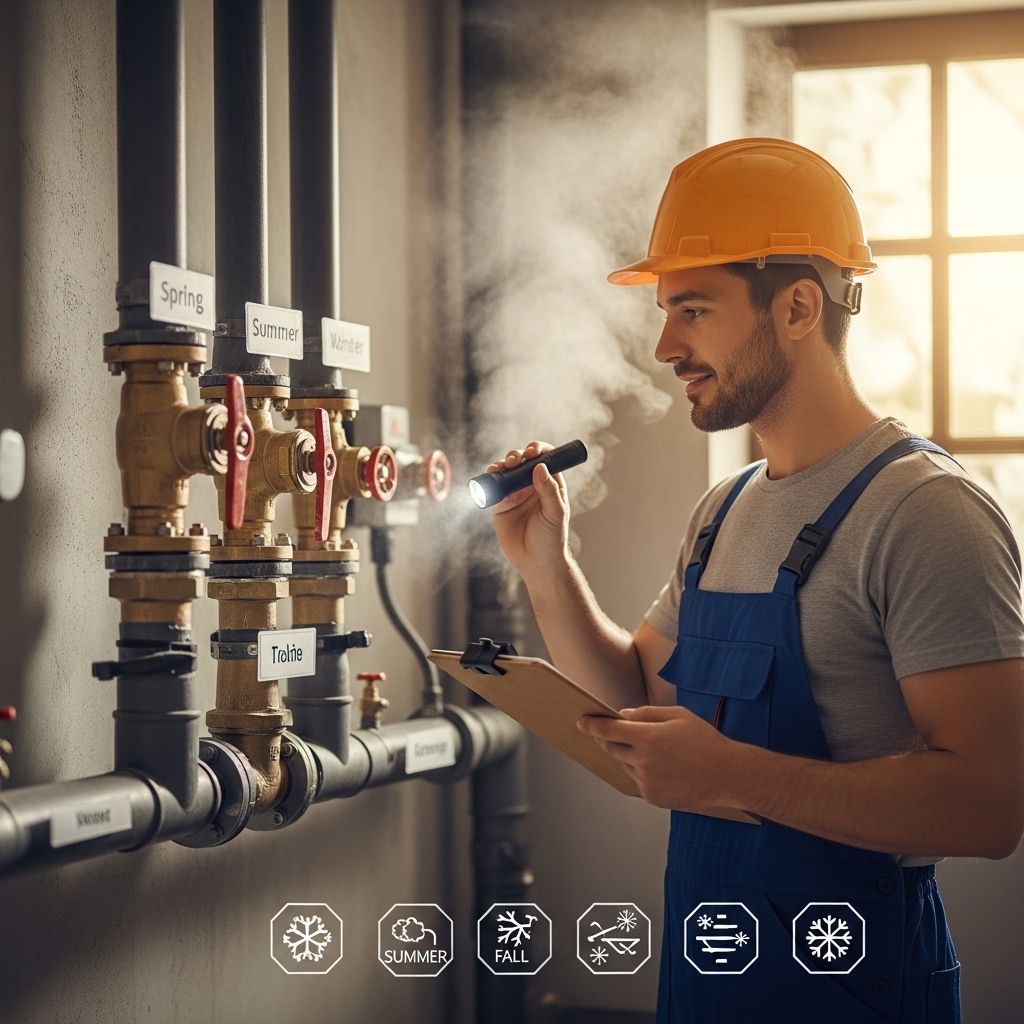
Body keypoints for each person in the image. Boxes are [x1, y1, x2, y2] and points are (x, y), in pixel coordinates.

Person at [485, 138, 1024, 1023]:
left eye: (693, 310)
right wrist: (548, 562)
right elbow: (634, 694)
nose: (666, 346)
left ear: (800, 307)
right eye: (666, 313)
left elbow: (989, 808)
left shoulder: (927, 512)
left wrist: (730, 774)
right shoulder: (723, 510)